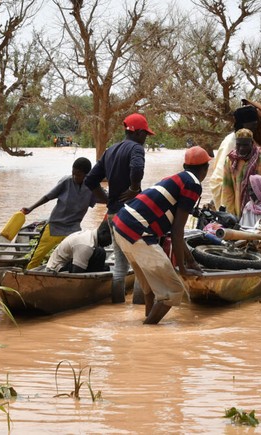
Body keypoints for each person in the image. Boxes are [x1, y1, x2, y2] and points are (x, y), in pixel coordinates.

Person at [112, 147, 211, 324]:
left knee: (151, 286)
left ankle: (147, 336)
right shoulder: (193, 184)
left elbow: (174, 230)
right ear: (205, 169)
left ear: (184, 166)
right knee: (173, 290)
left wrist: (190, 261)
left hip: (121, 226)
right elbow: (177, 230)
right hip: (138, 231)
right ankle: (147, 329)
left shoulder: (176, 179)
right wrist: (182, 268)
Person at [85, 113, 150, 303]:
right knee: (140, 265)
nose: (145, 138)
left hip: (113, 214)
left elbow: (90, 180)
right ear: (137, 133)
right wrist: (134, 188)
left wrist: (107, 199)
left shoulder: (110, 151)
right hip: (133, 212)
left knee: (120, 266)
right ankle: (139, 310)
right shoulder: (136, 148)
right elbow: (137, 168)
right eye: (145, 134)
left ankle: (117, 308)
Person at [21, 157, 96, 269]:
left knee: (75, 257)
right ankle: (28, 275)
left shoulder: (91, 186)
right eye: (73, 173)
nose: (75, 177)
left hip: (73, 229)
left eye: (79, 175)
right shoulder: (66, 181)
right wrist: (31, 208)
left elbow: (104, 199)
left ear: (86, 175)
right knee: (37, 257)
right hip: (55, 226)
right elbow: (48, 196)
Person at [208, 105, 260, 206]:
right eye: (251, 126)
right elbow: (220, 176)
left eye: (255, 126)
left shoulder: (254, 140)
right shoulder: (231, 142)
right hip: (230, 189)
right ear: (242, 125)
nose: (254, 129)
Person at [219, 128, 261, 217]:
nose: (242, 148)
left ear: (252, 143)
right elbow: (227, 190)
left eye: (245, 145)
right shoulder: (230, 160)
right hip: (239, 211)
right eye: (238, 145)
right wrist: (230, 214)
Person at [45, 220, 112, 273]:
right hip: (56, 269)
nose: (111, 242)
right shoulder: (86, 244)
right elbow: (77, 273)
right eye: (111, 238)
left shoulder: (90, 235)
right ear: (103, 232)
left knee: (102, 260)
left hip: (67, 263)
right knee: (100, 253)